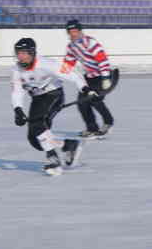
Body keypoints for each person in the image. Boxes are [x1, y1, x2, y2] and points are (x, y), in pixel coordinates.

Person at [11, 37, 92, 175]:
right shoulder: (17, 70)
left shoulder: (46, 64)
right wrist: (18, 110)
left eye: (24, 53)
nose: (21, 57)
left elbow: (72, 74)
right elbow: (17, 91)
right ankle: (69, 145)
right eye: (18, 53)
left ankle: (53, 159)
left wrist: (85, 89)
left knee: (38, 125)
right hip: (37, 99)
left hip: (53, 95)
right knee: (35, 140)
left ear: (32, 53)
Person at [64, 19, 117, 137]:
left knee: (95, 100)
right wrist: (58, 76)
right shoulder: (71, 47)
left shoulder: (90, 42)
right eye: (70, 31)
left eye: (75, 31)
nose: (73, 34)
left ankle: (108, 122)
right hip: (89, 77)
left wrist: (105, 78)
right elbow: (67, 65)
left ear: (80, 31)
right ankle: (92, 128)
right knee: (82, 103)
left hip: (104, 75)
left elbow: (102, 60)